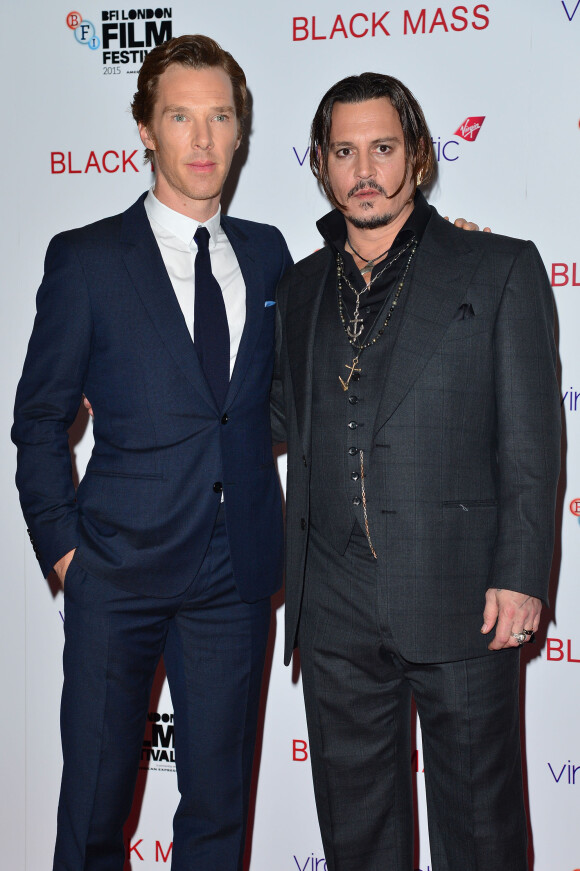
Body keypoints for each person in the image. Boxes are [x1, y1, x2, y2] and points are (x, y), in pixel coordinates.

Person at [12, 34, 292, 871]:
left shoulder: (273, 252)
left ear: (241, 132)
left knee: (216, 819)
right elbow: (39, 421)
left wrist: (445, 251)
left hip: (235, 574)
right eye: (181, 117)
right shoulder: (88, 259)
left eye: (220, 118)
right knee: (94, 816)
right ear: (144, 128)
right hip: (115, 568)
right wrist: (66, 556)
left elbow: (309, 375)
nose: (202, 141)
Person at [271, 72, 560, 871]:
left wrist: (522, 572)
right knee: (357, 841)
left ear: (420, 157)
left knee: (482, 835)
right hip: (332, 608)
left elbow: (533, 436)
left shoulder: (495, 267)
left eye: (384, 148)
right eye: (345, 151)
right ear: (322, 165)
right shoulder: (295, 289)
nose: (365, 169)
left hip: (464, 596)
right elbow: (262, 419)